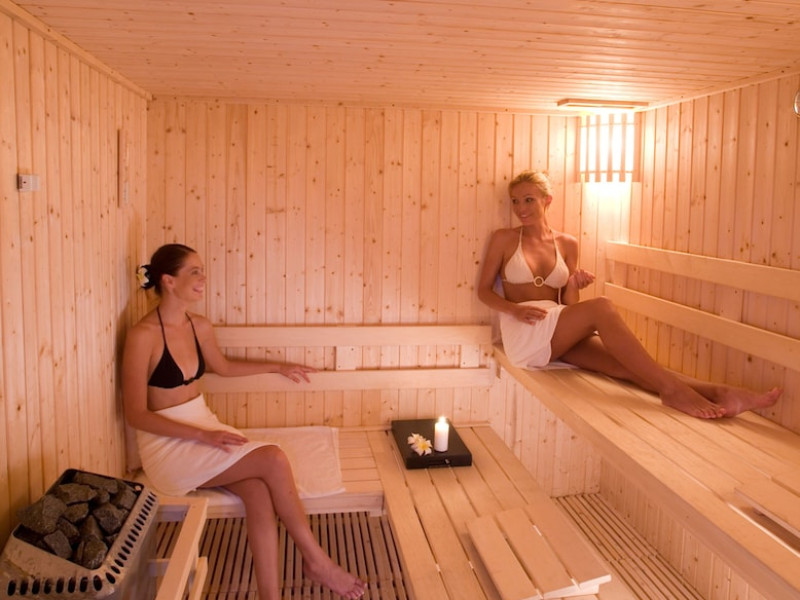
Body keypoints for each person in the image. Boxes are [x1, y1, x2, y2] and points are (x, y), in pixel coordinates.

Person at [121, 243, 366, 600]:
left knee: (257, 492)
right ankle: (317, 561)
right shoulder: (142, 336)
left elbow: (223, 367)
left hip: (202, 425)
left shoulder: (198, 326)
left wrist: (278, 366)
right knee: (273, 458)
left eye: (202, 270)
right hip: (168, 447)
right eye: (194, 272)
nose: (203, 278)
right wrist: (202, 436)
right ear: (168, 281)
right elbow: (136, 414)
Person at [477, 170, 782, 419]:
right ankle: (673, 392)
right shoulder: (504, 239)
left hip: (556, 324)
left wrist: (573, 285)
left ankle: (721, 393)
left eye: (528, 199)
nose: (520, 208)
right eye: (515, 201)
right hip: (524, 329)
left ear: (547, 200)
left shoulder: (567, 243)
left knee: (626, 365)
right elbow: (483, 291)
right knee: (602, 307)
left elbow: (568, 304)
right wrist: (515, 310)